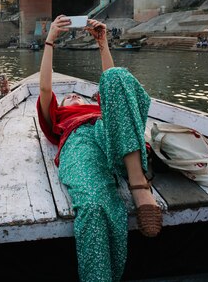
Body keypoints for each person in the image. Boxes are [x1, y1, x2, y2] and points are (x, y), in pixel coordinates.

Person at [37, 15, 161, 282]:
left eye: (76, 95)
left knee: (115, 77)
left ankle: (138, 183)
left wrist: (103, 43)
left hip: (113, 134)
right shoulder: (60, 118)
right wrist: (50, 41)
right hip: (80, 142)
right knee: (93, 206)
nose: (72, 95)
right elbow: (46, 88)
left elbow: (111, 86)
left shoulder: (97, 107)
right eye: (67, 97)